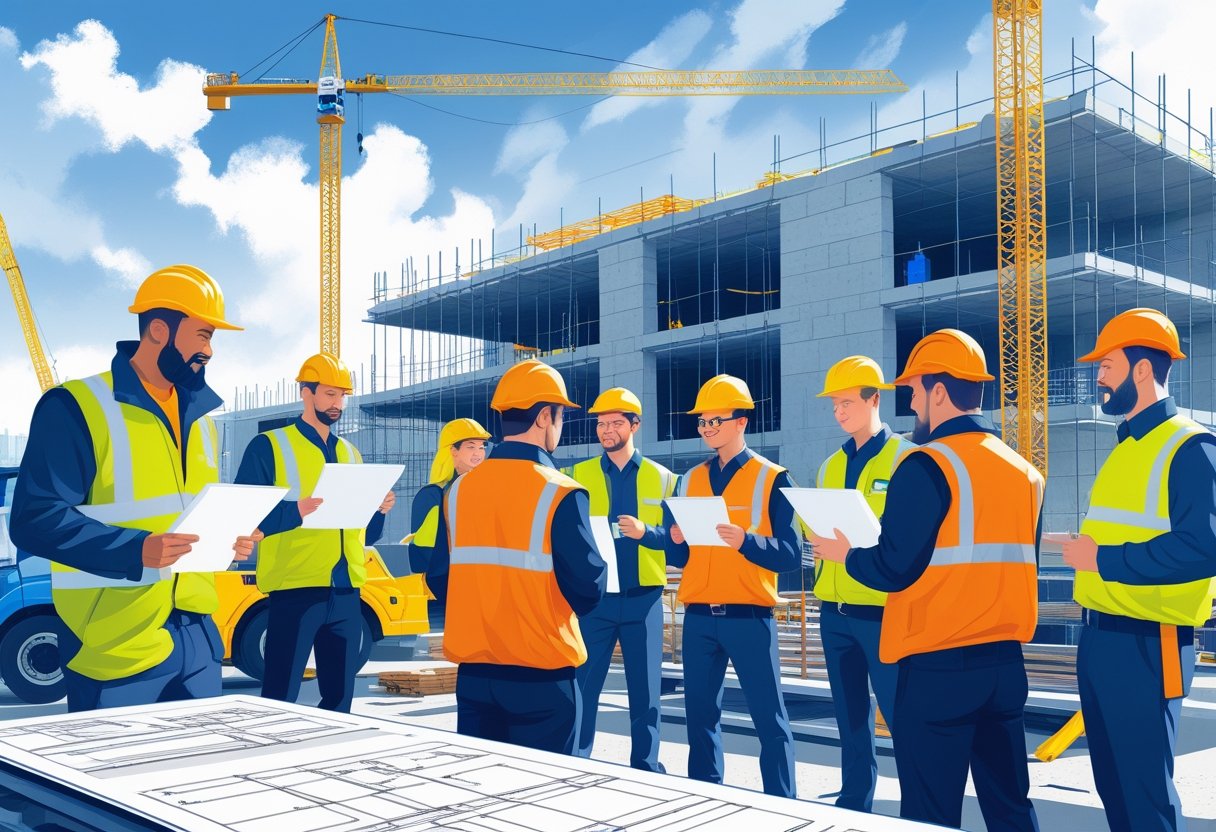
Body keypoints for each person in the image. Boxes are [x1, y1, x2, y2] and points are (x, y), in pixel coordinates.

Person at [812, 328, 1042, 831]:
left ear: (938, 391)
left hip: (939, 663)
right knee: (1010, 806)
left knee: (929, 815)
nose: (912, 404)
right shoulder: (1024, 471)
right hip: (1005, 664)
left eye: (914, 392)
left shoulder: (926, 463)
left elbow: (895, 566)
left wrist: (847, 556)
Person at [10, 265, 257, 711]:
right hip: (112, 641)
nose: (210, 350)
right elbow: (34, 519)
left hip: (198, 636)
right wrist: (135, 549)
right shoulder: (76, 407)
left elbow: (187, 513)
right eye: (202, 335)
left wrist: (230, 541)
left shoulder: (203, 423)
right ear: (159, 330)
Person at [1061, 308, 1216, 832]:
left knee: (1145, 794)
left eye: (1107, 365)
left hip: (1151, 645)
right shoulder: (1127, 446)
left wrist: (1101, 559)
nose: (1097, 377)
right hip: (1102, 641)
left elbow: (1204, 548)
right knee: (1114, 787)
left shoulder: (1191, 446)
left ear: (1142, 369)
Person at [426, 359, 605, 753]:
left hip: (475, 677)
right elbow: (588, 590)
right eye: (560, 415)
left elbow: (439, 579)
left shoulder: (457, 492)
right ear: (545, 416)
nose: (560, 425)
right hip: (541, 679)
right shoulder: (561, 492)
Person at [664, 374, 801, 798]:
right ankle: (707, 796)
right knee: (700, 719)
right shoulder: (687, 481)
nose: (707, 429)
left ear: (741, 422)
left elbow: (791, 554)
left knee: (769, 720)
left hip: (750, 617)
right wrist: (675, 541)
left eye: (714, 421)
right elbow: (681, 557)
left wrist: (746, 541)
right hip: (700, 617)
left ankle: (784, 805)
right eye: (702, 422)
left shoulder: (773, 478)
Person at [235, 352, 395, 713]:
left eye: (342, 396)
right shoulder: (270, 446)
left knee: (340, 698)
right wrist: (295, 511)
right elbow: (245, 513)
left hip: (347, 589)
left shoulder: (352, 453)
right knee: (281, 695)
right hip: (295, 587)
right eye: (329, 394)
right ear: (305, 393)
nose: (338, 404)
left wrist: (379, 511)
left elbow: (365, 533)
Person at [813, 356, 911, 812]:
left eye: (847, 402)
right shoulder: (829, 465)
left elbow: (909, 537)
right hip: (834, 611)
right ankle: (855, 799)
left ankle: (919, 800)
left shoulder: (906, 458)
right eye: (835, 404)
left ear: (876, 399)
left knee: (901, 713)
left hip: (883, 610)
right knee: (850, 716)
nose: (839, 412)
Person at [568, 387, 675, 771]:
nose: (606, 429)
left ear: (635, 425)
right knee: (582, 685)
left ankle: (646, 767)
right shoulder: (577, 475)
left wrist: (648, 533)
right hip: (595, 600)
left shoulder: (663, 479)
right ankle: (577, 760)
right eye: (601, 423)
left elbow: (677, 544)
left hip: (643, 599)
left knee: (645, 693)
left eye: (615, 422)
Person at [406, 419, 490, 576]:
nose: (478, 453)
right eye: (471, 447)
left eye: (481, 447)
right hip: (443, 590)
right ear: (453, 451)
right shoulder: (432, 496)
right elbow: (421, 558)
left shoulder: (484, 492)